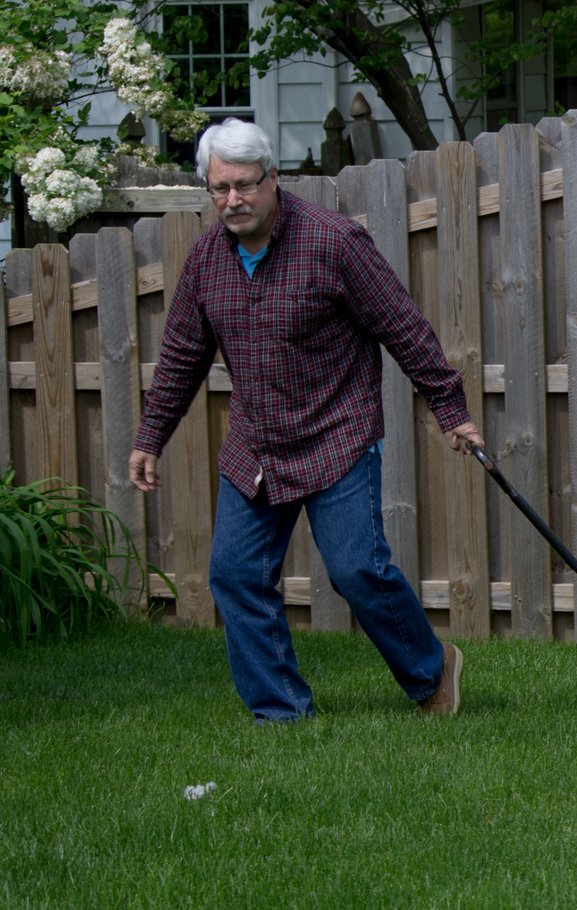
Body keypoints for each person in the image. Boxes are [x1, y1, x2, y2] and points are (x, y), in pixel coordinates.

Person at [128, 118, 484, 722]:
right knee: (236, 574)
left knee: (356, 569)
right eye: (220, 188)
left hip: (335, 434)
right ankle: (282, 712)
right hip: (256, 446)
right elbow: (183, 357)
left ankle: (432, 670)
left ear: (273, 179)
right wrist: (150, 437)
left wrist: (451, 410)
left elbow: (403, 327)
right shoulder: (207, 260)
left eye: (245, 184)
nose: (233, 200)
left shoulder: (334, 242)